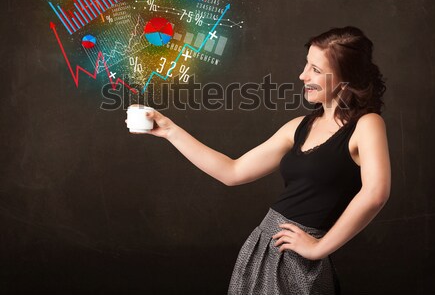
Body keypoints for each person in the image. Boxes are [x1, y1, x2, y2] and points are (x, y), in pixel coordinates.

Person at [127, 26, 391, 295]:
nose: (303, 75)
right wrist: (170, 130)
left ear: (346, 79)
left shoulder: (367, 125)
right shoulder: (299, 126)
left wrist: (319, 248)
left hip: (302, 259)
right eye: (306, 65)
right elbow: (233, 171)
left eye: (316, 70)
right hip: (263, 247)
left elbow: (375, 194)